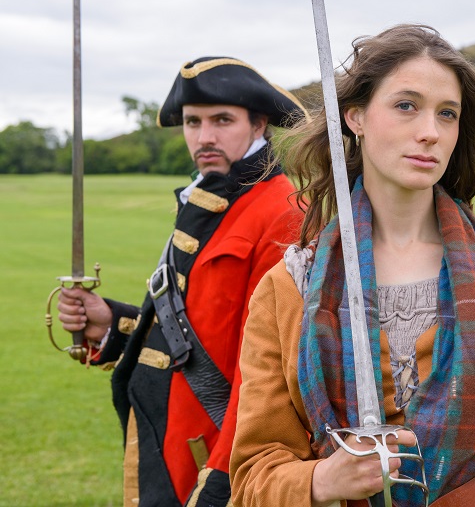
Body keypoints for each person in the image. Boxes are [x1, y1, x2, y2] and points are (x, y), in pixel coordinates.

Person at [229, 24, 475, 507]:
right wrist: (321, 481)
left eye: (447, 114)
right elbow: (254, 472)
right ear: (356, 116)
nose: (430, 131)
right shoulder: (290, 287)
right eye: (406, 106)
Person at [56, 56, 307, 507]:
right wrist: (114, 324)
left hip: (218, 454)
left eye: (222, 120)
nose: (204, 136)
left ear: (259, 125)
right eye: (193, 122)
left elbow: (271, 374)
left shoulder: (281, 212)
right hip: (174, 438)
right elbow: (199, 328)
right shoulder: (210, 199)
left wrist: (225, 475)